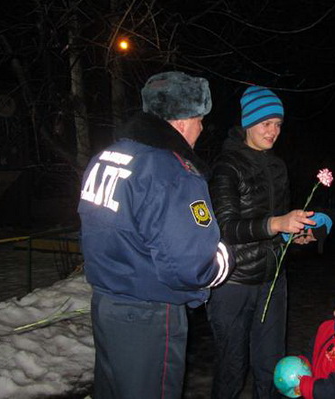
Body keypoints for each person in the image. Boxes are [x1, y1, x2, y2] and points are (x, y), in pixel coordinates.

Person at [77, 71, 234, 399]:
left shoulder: (107, 157)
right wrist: (224, 257)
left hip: (106, 306)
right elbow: (192, 266)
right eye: (199, 119)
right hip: (148, 318)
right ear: (180, 123)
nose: (202, 128)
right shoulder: (172, 172)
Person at [207, 85, 317, 398]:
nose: (273, 132)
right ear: (248, 124)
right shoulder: (226, 167)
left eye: (278, 125)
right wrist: (275, 224)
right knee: (232, 368)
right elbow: (225, 227)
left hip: (272, 280)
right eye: (265, 124)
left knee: (271, 367)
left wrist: (294, 233)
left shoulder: (277, 166)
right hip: (234, 283)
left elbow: (279, 222)